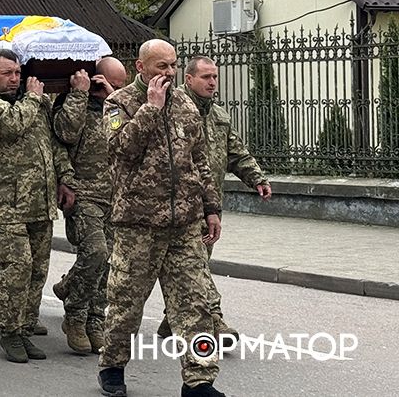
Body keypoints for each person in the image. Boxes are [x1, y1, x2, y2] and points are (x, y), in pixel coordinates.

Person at [98, 39, 224, 397]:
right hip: (138, 224)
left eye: (172, 66)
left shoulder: (185, 102)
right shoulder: (117, 104)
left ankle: (199, 380)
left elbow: (201, 159)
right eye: (160, 67)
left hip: (184, 223)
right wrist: (150, 110)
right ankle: (112, 365)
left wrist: (211, 208)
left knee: (196, 305)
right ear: (141, 68)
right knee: (126, 305)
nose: (168, 73)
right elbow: (120, 150)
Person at [0, 48, 79, 364]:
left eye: (17, 73)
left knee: (37, 271)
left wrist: (64, 179)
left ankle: (26, 327)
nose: (14, 79)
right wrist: (33, 97)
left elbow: (52, 145)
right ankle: (10, 332)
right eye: (7, 73)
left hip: (40, 202)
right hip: (7, 204)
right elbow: (13, 125)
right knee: (16, 268)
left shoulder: (35, 104)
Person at [158, 55, 271, 341]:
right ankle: (214, 318)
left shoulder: (218, 114)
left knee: (198, 263)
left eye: (215, 77)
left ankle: (173, 320)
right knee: (194, 266)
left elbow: (236, 151)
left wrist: (256, 178)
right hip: (179, 202)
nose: (212, 82)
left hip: (209, 203)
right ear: (189, 79)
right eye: (206, 77)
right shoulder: (173, 108)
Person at [51, 56, 127, 354]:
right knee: (96, 252)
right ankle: (75, 313)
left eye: (120, 85)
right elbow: (65, 134)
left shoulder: (116, 108)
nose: (114, 88)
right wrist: (81, 94)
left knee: (107, 263)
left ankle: (95, 319)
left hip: (114, 195)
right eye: (109, 82)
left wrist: (113, 99)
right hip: (83, 193)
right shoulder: (71, 102)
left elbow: (126, 135)